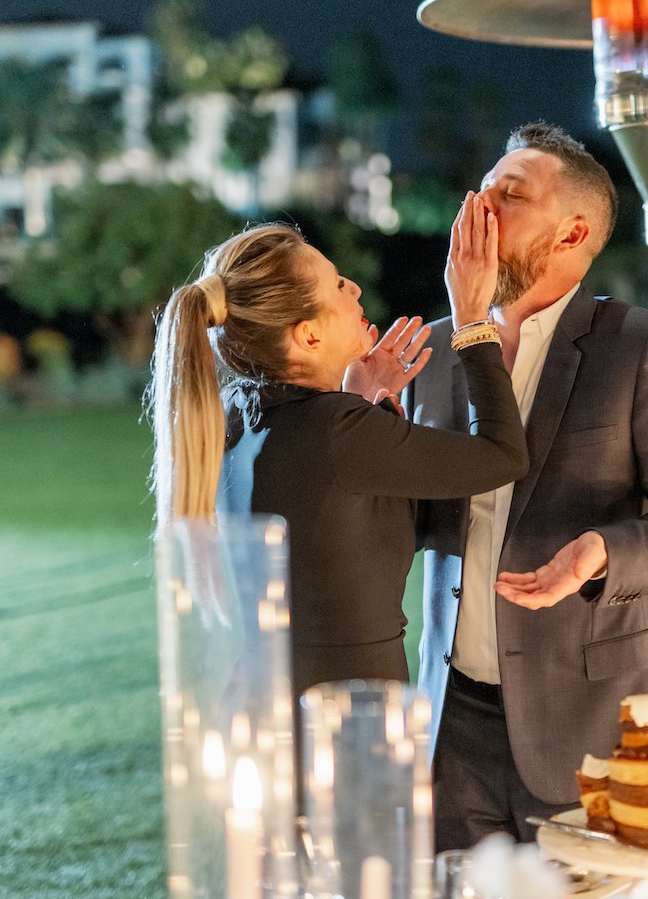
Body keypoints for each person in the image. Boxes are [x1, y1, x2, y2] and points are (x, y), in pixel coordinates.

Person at [406, 122, 648, 851]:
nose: (480, 206)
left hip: (587, 728)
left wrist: (602, 552)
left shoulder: (635, 346)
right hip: (449, 724)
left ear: (571, 234)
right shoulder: (433, 352)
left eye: (510, 194)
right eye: (483, 187)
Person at [148, 215, 528, 700]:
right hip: (347, 720)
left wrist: (362, 404)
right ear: (308, 336)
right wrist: (473, 323)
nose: (354, 289)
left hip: (268, 703)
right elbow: (503, 457)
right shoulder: (337, 431)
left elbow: (350, 536)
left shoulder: (239, 413)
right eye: (338, 286)